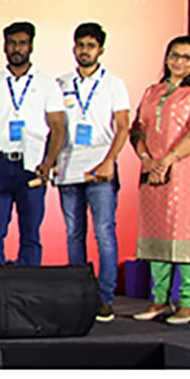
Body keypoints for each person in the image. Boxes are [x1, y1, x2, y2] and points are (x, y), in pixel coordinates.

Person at [130, 36, 190, 325]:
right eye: (174, 55)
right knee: (157, 230)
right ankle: (159, 300)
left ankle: (188, 303)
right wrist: (147, 159)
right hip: (154, 170)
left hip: (189, 169)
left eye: (186, 57)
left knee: (188, 231)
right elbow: (138, 129)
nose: (179, 61)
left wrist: (167, 160)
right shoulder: (153, 91)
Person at [0, 21, 66, 266]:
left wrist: (49, 163)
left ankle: (28, 284)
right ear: (4, 47)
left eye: (22, 43)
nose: (17, 48)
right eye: (12, 43)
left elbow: (58, 128)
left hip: (32, 166)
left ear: (31, 46)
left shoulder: (47, 84)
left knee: (30, 233)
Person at [55, 23, 131, 323]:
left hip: (100, 166)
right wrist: (50, 161)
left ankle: (105, 298)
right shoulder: (60, 83)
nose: (84, 50)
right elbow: (53, 128)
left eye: (90, 45)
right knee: (74, 234)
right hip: (69, 166)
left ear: (101, 50)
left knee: (104, 234)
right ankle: (80, 294)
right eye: (80, 45)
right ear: (73, 48)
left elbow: (123, 127)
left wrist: (110, 161)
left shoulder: (114, 84)